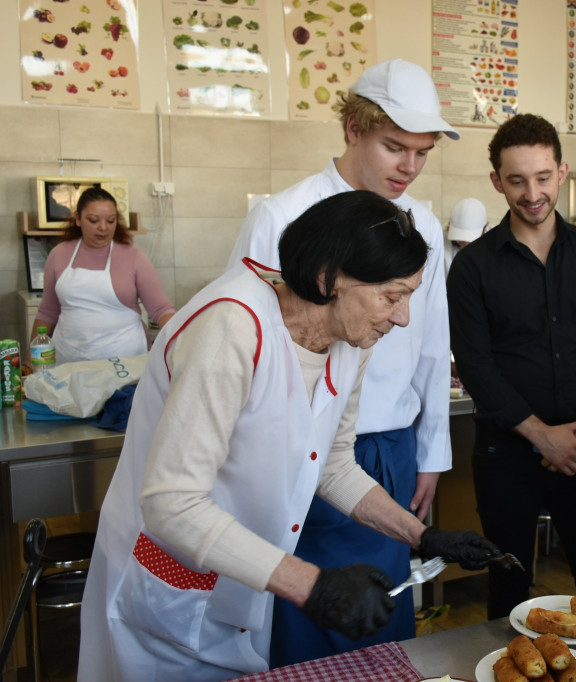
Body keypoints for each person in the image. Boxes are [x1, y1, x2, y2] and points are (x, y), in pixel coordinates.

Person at [78, 191, 498, 681]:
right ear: (328, 279)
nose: (402, 317)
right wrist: (312, 585)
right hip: (166, 589)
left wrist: (422, 536)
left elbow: (334, 463)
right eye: (392, 296)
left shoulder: (349, 338)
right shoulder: (231, 327)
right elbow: (172, 502)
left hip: (239, 582)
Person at [227, 59, 458, 664]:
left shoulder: (423, 225)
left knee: (381, 610)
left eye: (422, 152)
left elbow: (433, 346)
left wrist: (431, 453)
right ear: (353, 128)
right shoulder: (283, 217)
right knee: (310, 605)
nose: (408, 166)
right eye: (394, 147)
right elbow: (249, 348)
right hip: (304, 444)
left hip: (391, 446)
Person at [447, 114, 576, 619]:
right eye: (517, 180)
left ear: (562, 172)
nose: (532, 193)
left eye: (543, 177)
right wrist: (541, 436)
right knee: (508, 585)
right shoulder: (473, 267)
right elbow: (476, 365)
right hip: (505, 452)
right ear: (496, 181)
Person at [29, 187, 175, 368]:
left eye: (111, 221)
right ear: (78, 219)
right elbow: (47, 312)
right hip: (68, 361)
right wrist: (29, 362)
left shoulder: (134, 258)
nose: (103, 228)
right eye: (93, 220)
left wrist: (180, 344)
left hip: (124, 364)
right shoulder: (59, 255)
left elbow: (161, 309)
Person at [444, 197, 488, 274]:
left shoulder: (495, 242)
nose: (465, 243)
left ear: (485, 227)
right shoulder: (440, 240)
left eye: (470, 239)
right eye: (460, 238)